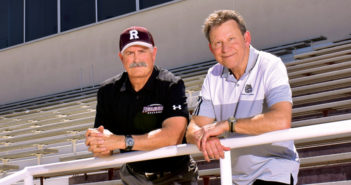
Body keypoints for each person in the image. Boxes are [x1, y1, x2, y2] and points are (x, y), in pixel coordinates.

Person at [186, 10, 299, 185]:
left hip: (273, 170)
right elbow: (194, 126)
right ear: (211, 48)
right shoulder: (213, 74)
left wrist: (226, 125)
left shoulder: (270, 65)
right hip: (235, 177)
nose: (225, 49)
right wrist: (204, 138)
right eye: (218, 43)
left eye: (231, 39)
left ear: (246, 38)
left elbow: (281, 120)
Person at [85, 26, 198, 185]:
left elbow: (173, 136)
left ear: (154, 53)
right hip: (134, 176)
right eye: (130, 53)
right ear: (121, 57)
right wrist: (98, 143)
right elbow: (105, 147)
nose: (136, 59)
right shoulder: (108, 92)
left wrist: (122, 141)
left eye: (142, 51)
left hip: (176, 174)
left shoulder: (171, 84)